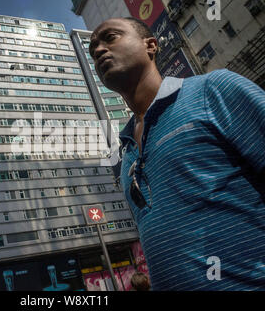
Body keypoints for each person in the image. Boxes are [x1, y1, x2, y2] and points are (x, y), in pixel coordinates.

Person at [89, 17, 265, 290]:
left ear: (151, 46)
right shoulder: (125, 155)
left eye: (110, 37)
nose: (98, 50)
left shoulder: (212, 90)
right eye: (92, 50)